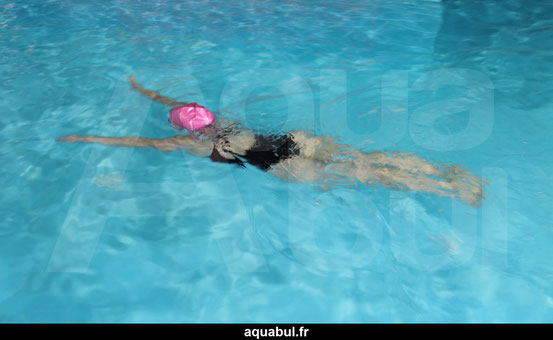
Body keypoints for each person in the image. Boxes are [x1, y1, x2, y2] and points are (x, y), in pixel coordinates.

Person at [58, 76, 487, 206]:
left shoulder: (187, 144)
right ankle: (443, 171)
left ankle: (447, 188)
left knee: (366, 177)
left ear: (184, 129)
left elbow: (139, 144)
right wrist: (144, 91)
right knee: (365, 159)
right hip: (294, 141)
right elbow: (177, 101)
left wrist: (84, 136)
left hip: (285, 165)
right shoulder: (217, 119)